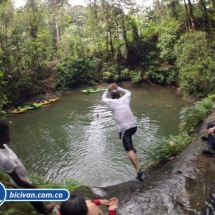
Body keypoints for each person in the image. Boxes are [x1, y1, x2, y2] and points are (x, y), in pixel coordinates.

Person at [0, 120, 54, 215]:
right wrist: (33, 187)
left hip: (24, 181)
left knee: (36, 201)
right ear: (1, 136)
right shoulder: (3, 159)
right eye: (7, 134)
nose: (10, 135)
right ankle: (45, 212)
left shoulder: (3, 146)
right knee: (36, 202)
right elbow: (18, 181)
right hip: (22, 185)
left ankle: (45, 209)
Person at [101, 83, 144, 181]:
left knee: (128, 149)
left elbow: (103, 98)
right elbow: (129, 92)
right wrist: (118, 88)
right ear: (119, 95)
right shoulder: (125, 99)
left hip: (125, 128)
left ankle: (138, 169)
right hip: (134, 126)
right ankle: (132, 147)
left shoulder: (111, 103)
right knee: (123, 136)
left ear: (112, 97)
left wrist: (108, 90)